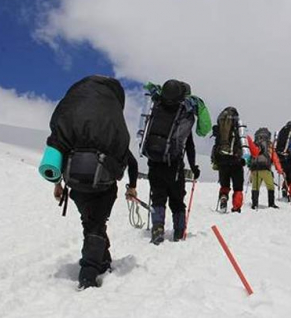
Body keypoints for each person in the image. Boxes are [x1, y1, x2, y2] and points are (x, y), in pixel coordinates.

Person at [46, 75, 138, 290]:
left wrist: (57, 183)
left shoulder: (71, 112)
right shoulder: (112, 119)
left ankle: (103, 261)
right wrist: (132, 185)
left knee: (90, 221)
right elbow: (129, 160)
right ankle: (88, 273)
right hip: (103, 182)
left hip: (74, 181)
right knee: (96, 224)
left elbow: (57, 147)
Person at [140, 79, 211, 244]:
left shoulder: (158, 104)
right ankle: (179, 232)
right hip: (174, 164)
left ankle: (157, 228)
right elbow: (190, 146)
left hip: (154, 160)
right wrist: (194, 167)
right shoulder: (183, 116)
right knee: (177, 199)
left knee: (158, 196)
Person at [211, 106, 249, 213]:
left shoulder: (221, 123)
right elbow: (244, 142)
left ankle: (223, 196)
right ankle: (236, 208)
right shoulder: (238, 125)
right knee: (238, 187)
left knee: (225, 184)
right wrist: (246, 158)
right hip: (236, 160)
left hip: (222, 158)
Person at [247, 127, 284, 209]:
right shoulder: (269, 145)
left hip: (255, 169)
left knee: (255, 187)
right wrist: (279, 170)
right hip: (265, 169)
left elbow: (250, 158)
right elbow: (275, 158)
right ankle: (271, 204)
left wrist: (250, 167)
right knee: (270, 186)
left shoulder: (255, 143)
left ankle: (254, 204)